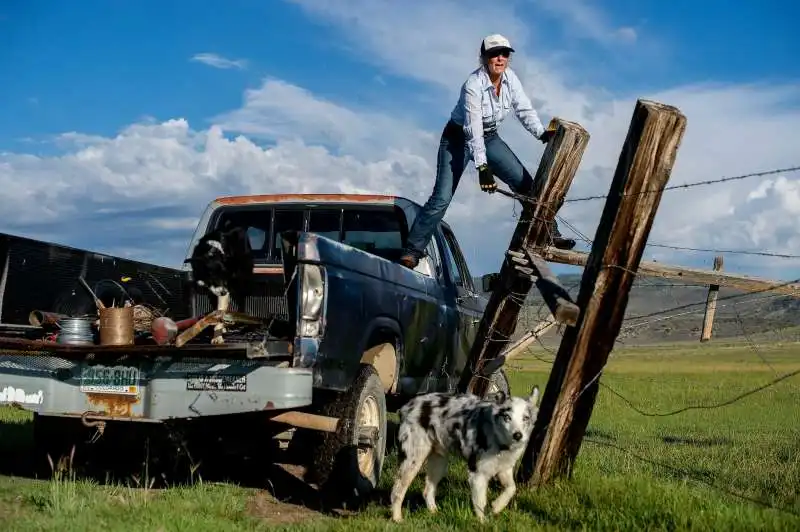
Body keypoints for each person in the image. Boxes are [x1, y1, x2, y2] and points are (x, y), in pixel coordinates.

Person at [399, 34, 576, 270]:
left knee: (525, 185)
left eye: (504, 53)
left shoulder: (510, 79)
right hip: (457, 138)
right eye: (494, 54)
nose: (500, 58)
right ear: (483, 58)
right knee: (441, 198)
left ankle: (549, 233)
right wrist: (483, 168)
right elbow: (472, 128)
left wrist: (541, 133)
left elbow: (523, 108)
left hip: (490, 136)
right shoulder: (472, 85)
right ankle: (412, 251)